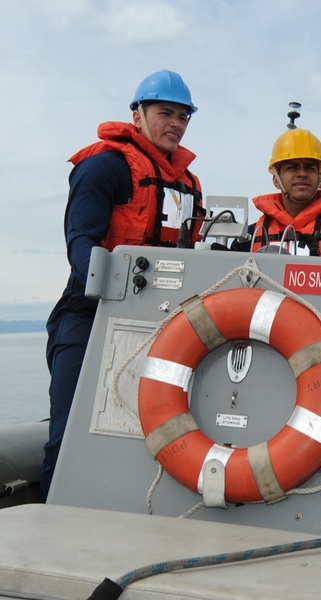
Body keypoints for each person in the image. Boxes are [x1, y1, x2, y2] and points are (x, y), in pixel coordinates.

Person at [41, 70, 203, 500]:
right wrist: (110, 294)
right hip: (87, 314)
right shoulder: (105, 168)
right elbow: (81, 242)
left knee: (150, 436)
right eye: (165, 112)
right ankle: (50, 524)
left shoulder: (190, 186)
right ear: (138, 115)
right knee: (68, 432)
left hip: (160, 324)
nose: (175, 123)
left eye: (183, 116)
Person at [245, 126, 321, 255]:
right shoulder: (249, 237)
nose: (302, 173)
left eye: (309, 167)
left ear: (320, 177)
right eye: (292, 167)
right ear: (276, 180)